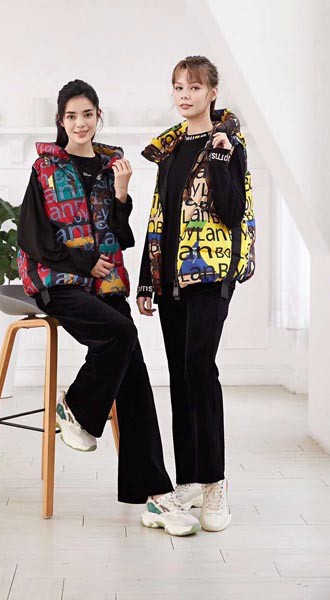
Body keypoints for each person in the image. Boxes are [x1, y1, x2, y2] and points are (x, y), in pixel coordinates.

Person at [17, 79, 200, 536]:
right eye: (72, 116)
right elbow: (33, 239)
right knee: (122, 334)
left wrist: (121, 192)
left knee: (135, 380)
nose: (80, 124)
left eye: (88, 115)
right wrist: (83, 263)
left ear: (99, 117)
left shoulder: (109, 166)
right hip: (58, 283)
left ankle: (156, 496)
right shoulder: (44, 169)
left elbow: (119, 237)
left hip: (105, 285)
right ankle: (76, 407)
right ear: (60, 121)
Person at [137, 56, 255, 532]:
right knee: (180, 377)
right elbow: (159, 215)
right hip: (170, 279)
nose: (185, 95)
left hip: (210, 275)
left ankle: (214, 483)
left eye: (194, 87)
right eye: (178, 87)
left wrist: (222, 157)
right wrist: (148, 279)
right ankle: (187, 479)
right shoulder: (169, 148)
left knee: (200, 370)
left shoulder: (228, 145)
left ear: (212, 92)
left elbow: (231, 211)